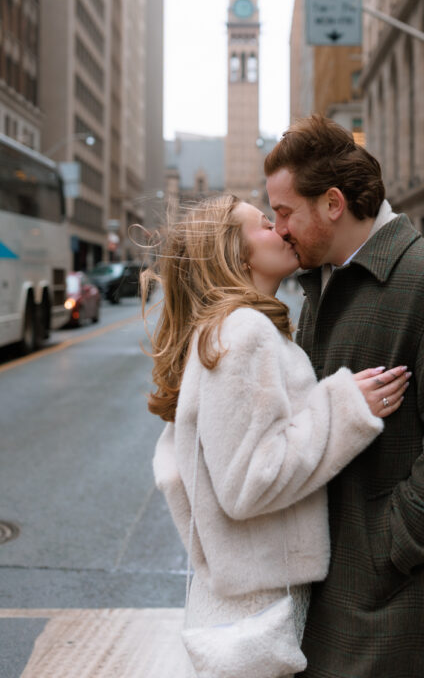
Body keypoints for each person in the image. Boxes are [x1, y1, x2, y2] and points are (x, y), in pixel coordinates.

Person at [264, 115, 424, 678]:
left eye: (283, 212)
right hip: (340, 585)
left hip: (413, 593)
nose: (278, 230)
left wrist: (389, 547)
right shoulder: (321, 285)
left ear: (332, 203)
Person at [143, 194, 409, 673]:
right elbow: (248, 482)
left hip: (246, 597)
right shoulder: (244, 332)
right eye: (266, 225)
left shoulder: (235, 328)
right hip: (259, 606)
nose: (282, 230)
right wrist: (345, 408)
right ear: (237, 254)